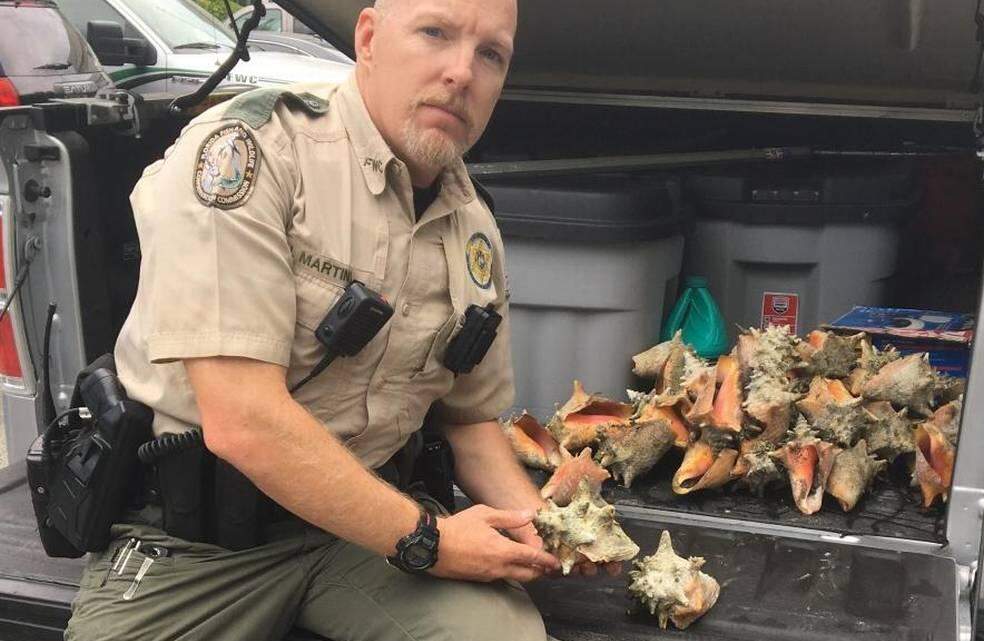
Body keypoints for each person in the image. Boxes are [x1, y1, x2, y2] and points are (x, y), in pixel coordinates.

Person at [65, 1, 606, 639]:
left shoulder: (474, 229)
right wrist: (433, 542)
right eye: (435, 32)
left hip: (367, 534)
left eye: (491, 54)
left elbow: (467, 422)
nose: (462, 72)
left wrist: (546, 527)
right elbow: (243, 418)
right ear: (369, 38)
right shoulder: (252, 153)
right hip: (195, 546)